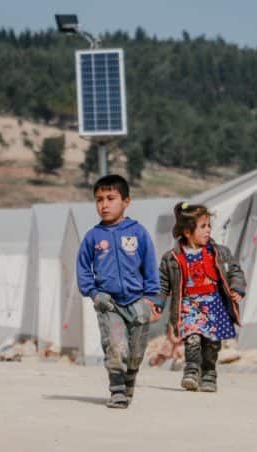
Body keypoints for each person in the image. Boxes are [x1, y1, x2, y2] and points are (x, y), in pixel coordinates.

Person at [76, 174, 161, 409]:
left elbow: (150, 266)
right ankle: (117, 391)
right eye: (99, 199)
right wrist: (94, 294)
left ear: (126, 201)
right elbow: (83, 269)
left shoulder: (138, 233)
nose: (104, 204)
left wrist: (153, 299)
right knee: (115, 347)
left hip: (138, 302)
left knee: (135, 351)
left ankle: (129, 381)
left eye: (111, 198)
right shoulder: (93, 237)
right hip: (109, 303)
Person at [155, 202, 246, 393]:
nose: (208, 231)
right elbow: (163, 284)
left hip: (214, 304)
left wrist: (237, 288)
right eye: (203, 227)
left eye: (209, 226)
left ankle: (209, 374)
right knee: (193, 338)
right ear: (187, 232)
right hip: (189, 305)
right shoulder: (172, 258)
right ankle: (191, 370)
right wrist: (158, 304)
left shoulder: (219, 253)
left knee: (212, 343)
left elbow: (235, 271)